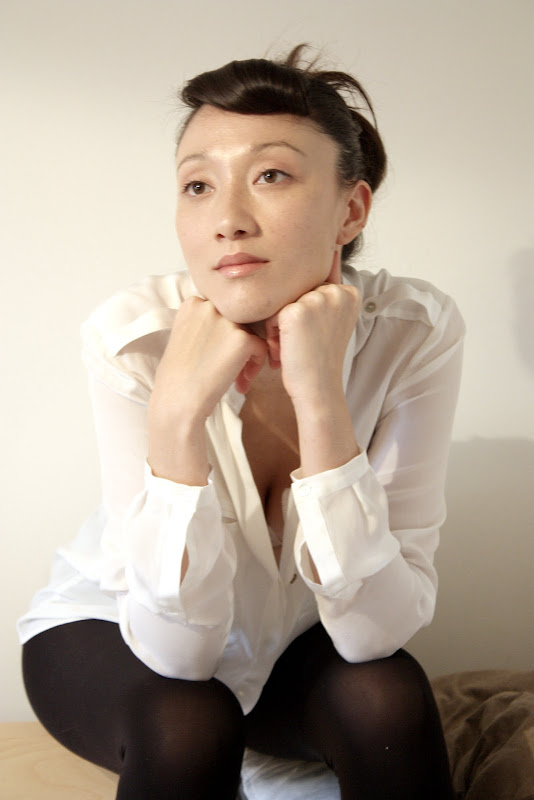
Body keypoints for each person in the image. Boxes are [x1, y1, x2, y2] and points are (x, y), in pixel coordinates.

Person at [19, 45, 464, 799]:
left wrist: (321, 398)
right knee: (187, 721)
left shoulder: (414, 332)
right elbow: (178, 655)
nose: (227, 220)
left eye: (271, 175)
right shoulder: (132, 337)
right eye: (198, 185)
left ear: (351, 210)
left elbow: (372, 634)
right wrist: (175, 416)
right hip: (121, 630)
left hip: (298, 640)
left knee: (384, 697)